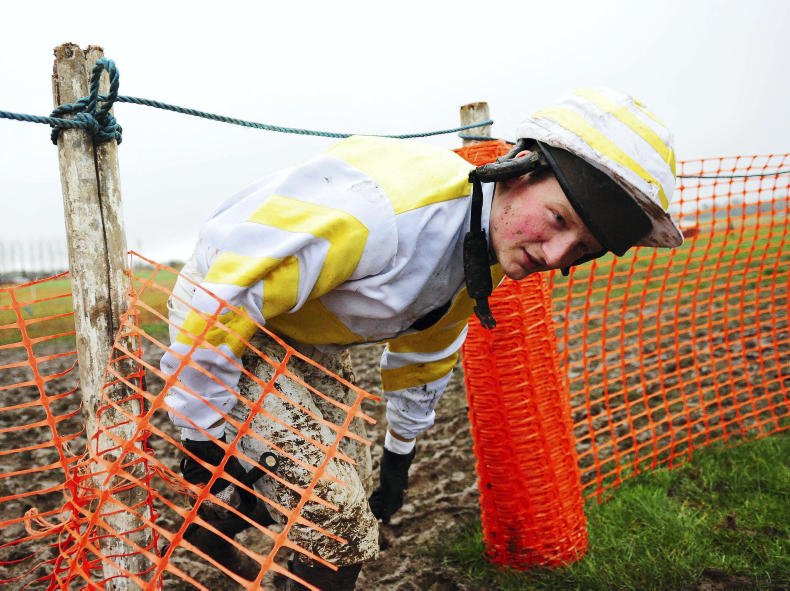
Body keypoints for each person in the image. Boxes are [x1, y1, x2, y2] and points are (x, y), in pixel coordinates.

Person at [160, 87, 682, 590]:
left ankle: (214, 524)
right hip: (229, 316)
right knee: (339, 526)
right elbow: (227, 293)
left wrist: (399, 455)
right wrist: (203, 433)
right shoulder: (384, 214)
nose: (555, 255)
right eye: (558, 219)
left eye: (582, 249)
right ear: (520, 168)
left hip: (303, 335)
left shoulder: (485, 240)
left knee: (343, 478)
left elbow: (428, 345)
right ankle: (225, 510)